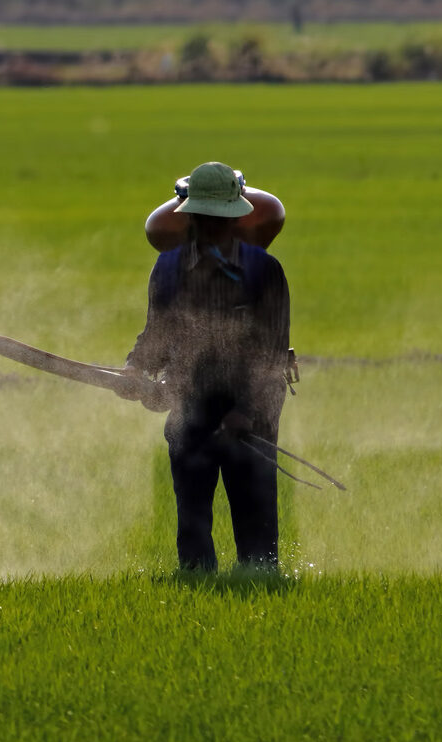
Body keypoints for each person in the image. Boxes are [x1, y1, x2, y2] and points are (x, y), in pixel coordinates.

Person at [119, 162, 293, 572]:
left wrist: (245, 412)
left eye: (220, 219)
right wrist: (134, 368)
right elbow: (156, 334)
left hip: (252, 413)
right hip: (189, 406)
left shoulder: (264, 271)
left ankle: (261, 578)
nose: (212, 226)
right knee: (192, 514)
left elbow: (271, 353)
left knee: (255, 512)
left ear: (235, 218)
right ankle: (196, 578)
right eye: (204, 218)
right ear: (191, 216)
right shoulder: (168, 269)